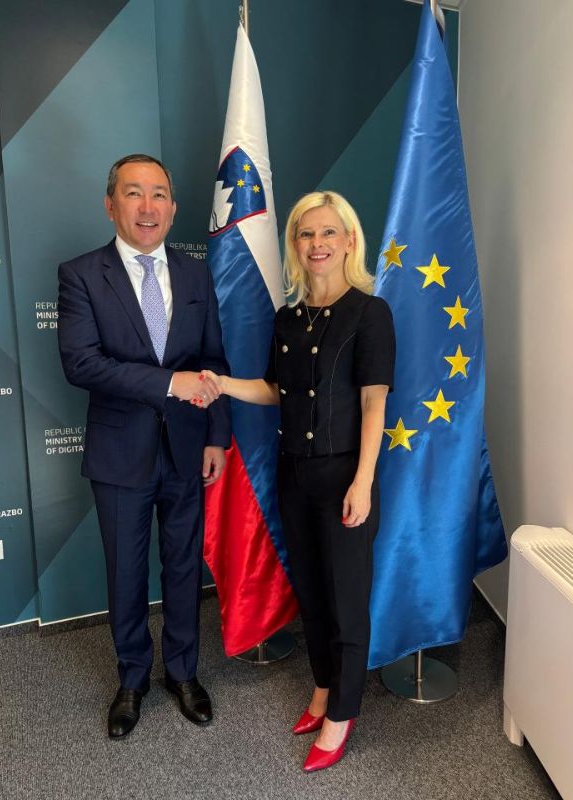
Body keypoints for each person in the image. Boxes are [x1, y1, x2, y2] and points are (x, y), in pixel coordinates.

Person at [201, 191, 394, 772]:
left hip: (344, 476)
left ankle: (343, 714)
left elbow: (374, 403)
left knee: (347, 601)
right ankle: (323, 687)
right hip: (295, 475)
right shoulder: (288, 318)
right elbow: (275, 391)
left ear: (349, 241)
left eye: (328, 232)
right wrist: (222, 384)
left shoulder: (370, 313)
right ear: (294, 244)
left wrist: (362, 481)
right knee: (311, 593)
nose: (317, 244)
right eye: (306, 234)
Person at [57, 154, 230, 739]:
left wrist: (217, 436)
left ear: (173, 207)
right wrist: (167, 384)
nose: (148, 206)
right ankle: (132, 678)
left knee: (182, 568)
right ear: (111, 205)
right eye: (134, 193)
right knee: (126, 573)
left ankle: (182, 672)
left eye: (159, 194)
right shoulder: (81, 274)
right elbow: (82, 364)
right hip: (119, 454)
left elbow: (214, 360)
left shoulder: (196, 274)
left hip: (187, 448)